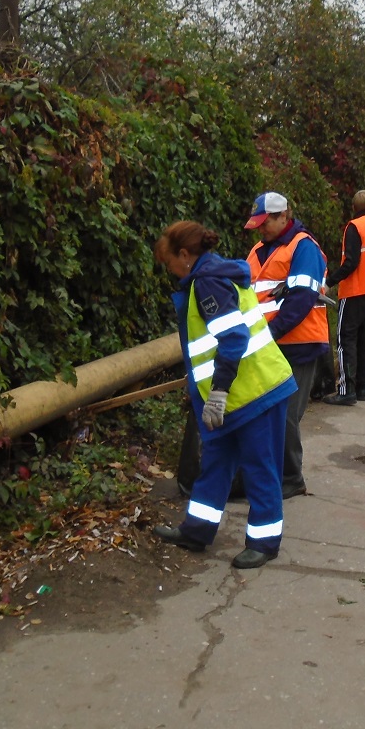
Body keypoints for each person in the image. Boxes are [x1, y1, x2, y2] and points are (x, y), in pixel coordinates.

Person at [151, 221, 297, 569]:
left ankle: (264, 543)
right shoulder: (212, 276)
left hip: (256, 393)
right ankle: (197, 530)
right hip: (238, 394)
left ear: (185, 255)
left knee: (260, 467)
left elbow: (233, 339)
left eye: (169, 261)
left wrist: (216, 393)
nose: (169, 270)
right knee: (216, 462)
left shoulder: (208, 283)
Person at [244, 192, 330, 499]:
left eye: (265, 223)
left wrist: (269, 332)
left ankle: (291, 478)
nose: (261, 229)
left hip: (299, 343)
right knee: (266, 412)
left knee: (286, 413)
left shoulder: (304, 247)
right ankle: (271, 473)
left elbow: (302, 300)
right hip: (268, 342)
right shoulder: (258, 249)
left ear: (284, 216)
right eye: (258, 225)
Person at [323, 189, 365, 405]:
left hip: (354, 291)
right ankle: (362, 388)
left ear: (354, 208)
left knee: (345, 339)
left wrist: (330, 282)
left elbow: (350, 262)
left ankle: (345, 390)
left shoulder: (354, 227)